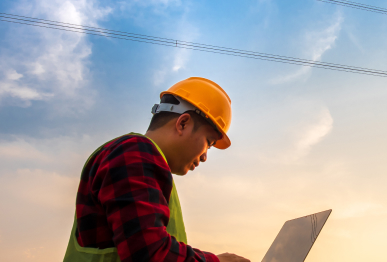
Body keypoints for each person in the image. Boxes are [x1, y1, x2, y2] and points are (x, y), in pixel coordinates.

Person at [63, 77, 250, 262]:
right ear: (182, 123)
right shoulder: (133, 153)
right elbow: (150, 254)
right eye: (208, 143)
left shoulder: (143, 163)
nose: (204, 156)